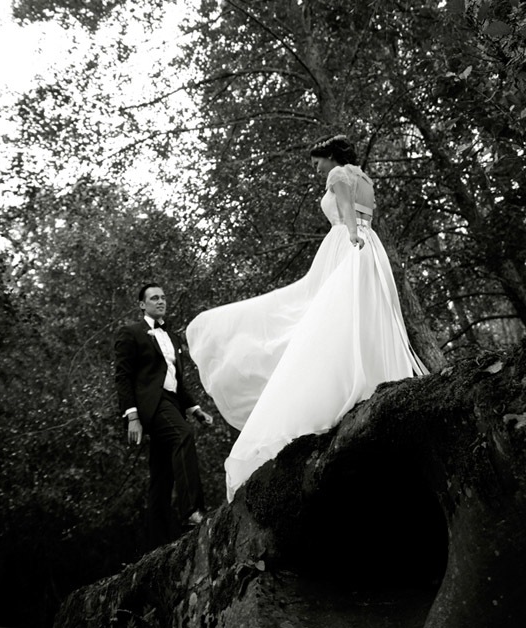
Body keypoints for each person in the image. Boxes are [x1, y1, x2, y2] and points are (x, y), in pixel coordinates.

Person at [186, 135, 427, 502]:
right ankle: (367, 373)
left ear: (331, 158)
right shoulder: (364, 177)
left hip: (347, 244)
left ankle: (340, 385)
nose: (316, 169)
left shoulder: (340, 176)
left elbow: (345, 211)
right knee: (360, 311)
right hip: (371, 244)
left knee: (321, 314)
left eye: (318, 161)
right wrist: (360, 236)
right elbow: (366, 213)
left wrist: (349, 237)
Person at [115, 283, 213, 548]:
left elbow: (178, 380)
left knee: (162, 473)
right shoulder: (131, 333)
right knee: (182, 436)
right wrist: (132, 416)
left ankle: (156, 542)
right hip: (152, 404)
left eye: (163, 297)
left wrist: (195, 409)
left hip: (172, 402)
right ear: (142, 304)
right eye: (154, 298)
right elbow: (123, 377)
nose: (161, 301)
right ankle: (192, 511)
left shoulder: (172, 337)